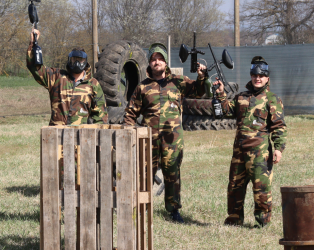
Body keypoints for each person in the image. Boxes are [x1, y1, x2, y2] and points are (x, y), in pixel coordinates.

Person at [123, 43, 208, 223]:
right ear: (149, 64)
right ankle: (141, 208)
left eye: (160, 58)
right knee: (145, 173)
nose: (156, 62)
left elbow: (200, 92)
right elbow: (130, 113)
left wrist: (202, 77)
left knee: (172, 174)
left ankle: (173, 210)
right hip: (148, 139)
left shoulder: (178, 82)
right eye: (153, 59)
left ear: (165, 62)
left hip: (173, 139)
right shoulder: (142, 88)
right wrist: (128, 133)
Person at [213, 56, 287, 228]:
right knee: (234, 187)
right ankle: (234, 219)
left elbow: (279, 126)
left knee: (261, 188)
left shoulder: (272, 99)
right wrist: (221, 94)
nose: (258, 78)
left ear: (267, 78)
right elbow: (227, 110)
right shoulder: (241, 97)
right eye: (254, 75)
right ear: (251, 76)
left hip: (260, 154)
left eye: (261, 76)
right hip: (239, 153)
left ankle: (262, 222)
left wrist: (278, 149)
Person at [26, 29, 108, 125]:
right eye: (74, 60)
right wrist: (33, 43)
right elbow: (35, 68)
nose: (77, 63)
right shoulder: (57, 77)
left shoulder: (93, 84)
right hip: (56, 134)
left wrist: (97, 136)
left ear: (85, 62)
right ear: (69, 60)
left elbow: (100, 117)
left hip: (80, 136)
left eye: (80, 60)